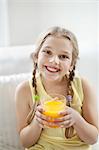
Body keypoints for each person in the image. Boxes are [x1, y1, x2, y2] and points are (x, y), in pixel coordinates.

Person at [15, 26, 99, 150]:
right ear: (36, 56)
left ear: (72, 64)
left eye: (63, 56)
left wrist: (76, 119)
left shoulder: (83, 86)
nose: (54, 61)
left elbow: (93, 138)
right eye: (47, 52)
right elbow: (25, 143)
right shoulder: (25, 90)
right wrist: (37, 123)